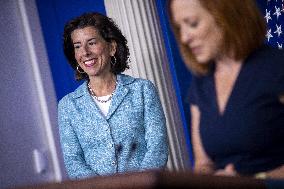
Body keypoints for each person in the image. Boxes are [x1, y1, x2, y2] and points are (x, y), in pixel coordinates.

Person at [168, 0, 284, 179]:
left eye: (192, 23)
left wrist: (256, 180)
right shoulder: (200, 85)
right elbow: (203, 165)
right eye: (179, 27)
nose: (184, 38)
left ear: (227, 16)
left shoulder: (277, 68)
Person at [58, 12, 168, 179]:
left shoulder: (143, 90)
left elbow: (158, 148)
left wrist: (138, 184)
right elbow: (74, 162)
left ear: (111, 47)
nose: (85, 52)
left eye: (92, 43)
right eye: (78, 46)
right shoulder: (67, 106)